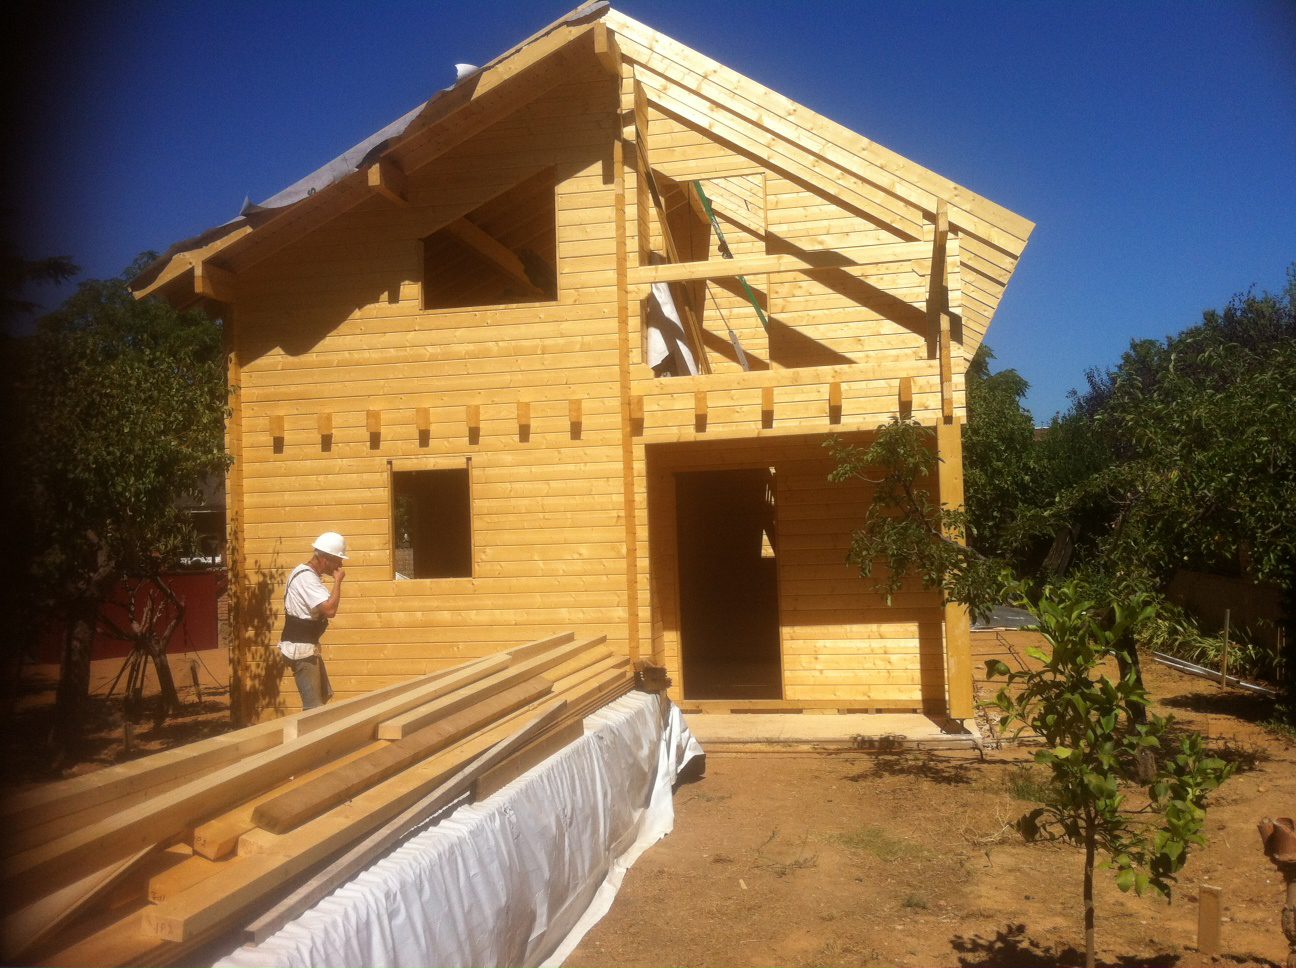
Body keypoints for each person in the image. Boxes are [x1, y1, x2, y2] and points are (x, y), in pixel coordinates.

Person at [279, 531, 347, 709]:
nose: (340, 565)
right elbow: (330, 610)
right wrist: (338, 581)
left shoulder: (309, 576)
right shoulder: (306, 578)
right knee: (313, 708)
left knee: (322, 697)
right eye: (338, 560)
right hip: (301, 650)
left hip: (308, 647)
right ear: (325, 559)